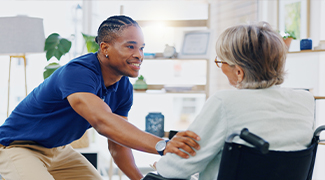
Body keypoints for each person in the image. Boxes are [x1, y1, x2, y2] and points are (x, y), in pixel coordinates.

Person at [0, 15, 200, 180]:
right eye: (130, 47)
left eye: (141, 48)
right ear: (105, 48)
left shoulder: (123, 87)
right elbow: (102, 121)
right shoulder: (78, 72)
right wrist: (162, 145)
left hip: (58, 150)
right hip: (18, 147)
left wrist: (139, 179)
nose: (139, 55)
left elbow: (117, 142)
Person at [154, 22, 315, 179]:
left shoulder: (225, 102)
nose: (221, 67)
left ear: (239, 72)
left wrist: (161, 164)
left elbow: (176, 168)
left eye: (220, 62)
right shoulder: (305, 101)